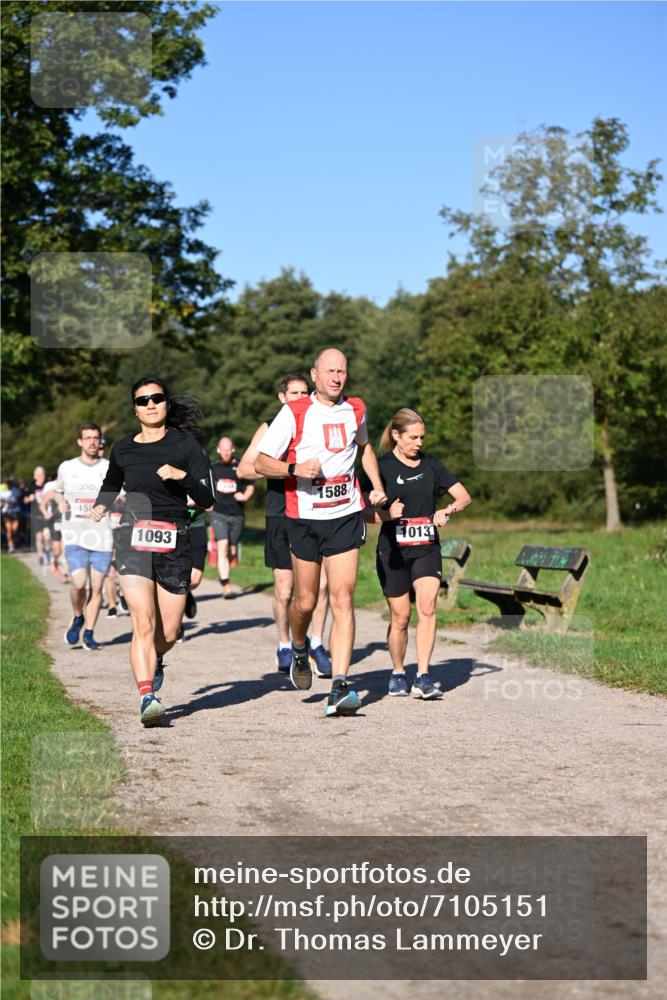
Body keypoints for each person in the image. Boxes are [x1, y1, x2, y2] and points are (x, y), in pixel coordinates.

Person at [255, 348, 387, 717]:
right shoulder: (295, 411)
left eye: (342, 371)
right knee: (307, 602)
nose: (336, 378)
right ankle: (299, 647)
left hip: (345, 514)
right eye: (329, 371)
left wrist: (375, 486)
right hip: (304, 519)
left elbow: (364, 448)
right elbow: (262, 463)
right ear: (315, 374)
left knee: (343, 598)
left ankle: (340, 685)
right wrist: (294, 467)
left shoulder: (356, 408)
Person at [90, 377, 214, 727]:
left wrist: (182, 476)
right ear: (135, 409)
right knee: (142, 622)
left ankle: (157, 657)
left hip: (175, 538)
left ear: (166, 403)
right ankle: (147, 696)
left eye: (156, 398)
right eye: (142, 400)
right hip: (133, 538)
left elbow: (207, 499)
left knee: (168, 632)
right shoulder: (123, 449)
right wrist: (100, 507)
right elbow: (111, 483)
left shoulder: (186, 446)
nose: (150, 404)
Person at [364, 408, 471, 698]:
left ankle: (423, 675)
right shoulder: (382, 468)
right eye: (413, 437)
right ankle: (398, 672)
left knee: (427, 608)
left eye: (422, 437)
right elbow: (360, 512)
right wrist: (386, 514)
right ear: (396, 436)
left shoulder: (432, 466)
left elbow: (464, 496)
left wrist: (447, 510)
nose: (419, 443)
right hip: (393, 552)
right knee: (400, 617)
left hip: (426, 548)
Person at [237, 373, 332, 677]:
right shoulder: (270, 426)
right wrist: (289, 471)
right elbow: (245, 468)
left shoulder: (319, 421)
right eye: (294, 393)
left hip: (316, 512)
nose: (300, 397)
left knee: (321, 586)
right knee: (285, 589)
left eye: (305, 392)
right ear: (282, 397)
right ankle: (283, 643)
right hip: (280, 513)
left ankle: (316, 643)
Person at [55, 424, 113, 650]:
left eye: (96, 438)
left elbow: (121, 494)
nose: (92, 442)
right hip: (75, 535)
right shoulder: (67, 467)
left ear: (100, 442)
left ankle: (89, 632)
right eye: (87, 438)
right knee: (78, 585)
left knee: (97, 589)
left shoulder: (109, 468)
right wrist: (61, 502)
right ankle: (78, 615)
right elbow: (59, 492)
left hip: (103, 537)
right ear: (79, 441)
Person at [209, 437, 254, 597]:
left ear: (232, 449)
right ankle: (226, 584)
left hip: (237, 514)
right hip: (218, 513)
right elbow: (206, 486)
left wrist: (245, 496)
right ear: (218, 450)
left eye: (228, 450)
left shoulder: (241, 466)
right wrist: (208, 502)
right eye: (223, 450)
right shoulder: (213, 467)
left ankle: (232, 554)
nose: (226, 453)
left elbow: (250, 485)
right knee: (223, 545)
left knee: (232, 549)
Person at [25, 466, 49, 565]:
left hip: (47, 514)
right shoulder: (31, 487)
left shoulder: (47, 485)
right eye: (39, 475)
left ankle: (47, 551)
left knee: (47, 536)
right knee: (39, 537)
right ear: (35, 476)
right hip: (36, 514)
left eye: (42, 474)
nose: (41, 476)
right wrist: (29, 498)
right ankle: (40, 556)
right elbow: (24, 500)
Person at [1, 476, 24, 553]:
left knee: (14, 529)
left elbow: (21, 500)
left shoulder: (16, 491)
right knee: (9, 530)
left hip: (15, 512)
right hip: (6, 512)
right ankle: (11, 546)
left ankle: (12, 540)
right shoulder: (2, 490)